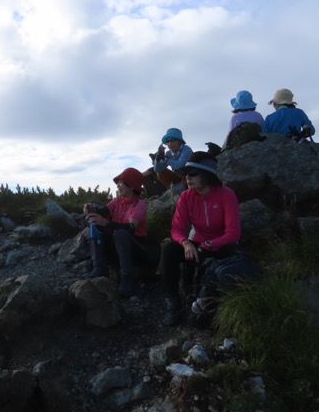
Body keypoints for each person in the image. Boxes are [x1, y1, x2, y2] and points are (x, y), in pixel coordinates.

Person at [159, 152, 241, 326]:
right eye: (186, 174)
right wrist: (185, 242)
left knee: (231, 251)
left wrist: (210, 244)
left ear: (207, 174)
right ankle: (173, 303)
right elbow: (177, 229)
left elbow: (233, 234)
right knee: (169, 249)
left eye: (193, 173)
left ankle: (213, 301)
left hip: (221, 244)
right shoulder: (186, 197)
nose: (187, 177)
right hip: (198, 242)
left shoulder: (226, 194)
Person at [83, 167, 154, 297]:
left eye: (121, 182)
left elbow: (132, 228)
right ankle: (99, 267)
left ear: (132, 187)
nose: (118, 185)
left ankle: (127, 278)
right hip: (118, 248)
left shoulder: (140, 205)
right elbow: (103, 212)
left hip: (135, 249)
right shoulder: (117, 201)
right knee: (95, 222)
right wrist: (91, 210)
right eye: (118, 182)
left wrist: (106, 223)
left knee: (121, 233)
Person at [142, 128, 194, 196]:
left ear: (179, 141)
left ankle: (185, 191)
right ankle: (172, 191)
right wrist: (157, 159)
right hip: (178, 179)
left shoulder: (186, 149)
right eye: (167, 141)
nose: (170, 143)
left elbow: (180, 165)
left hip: (190, 178)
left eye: (172, 140)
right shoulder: (168, 153)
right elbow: (157, 169)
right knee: (160, 172)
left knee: (182, 172)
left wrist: (167, 160)